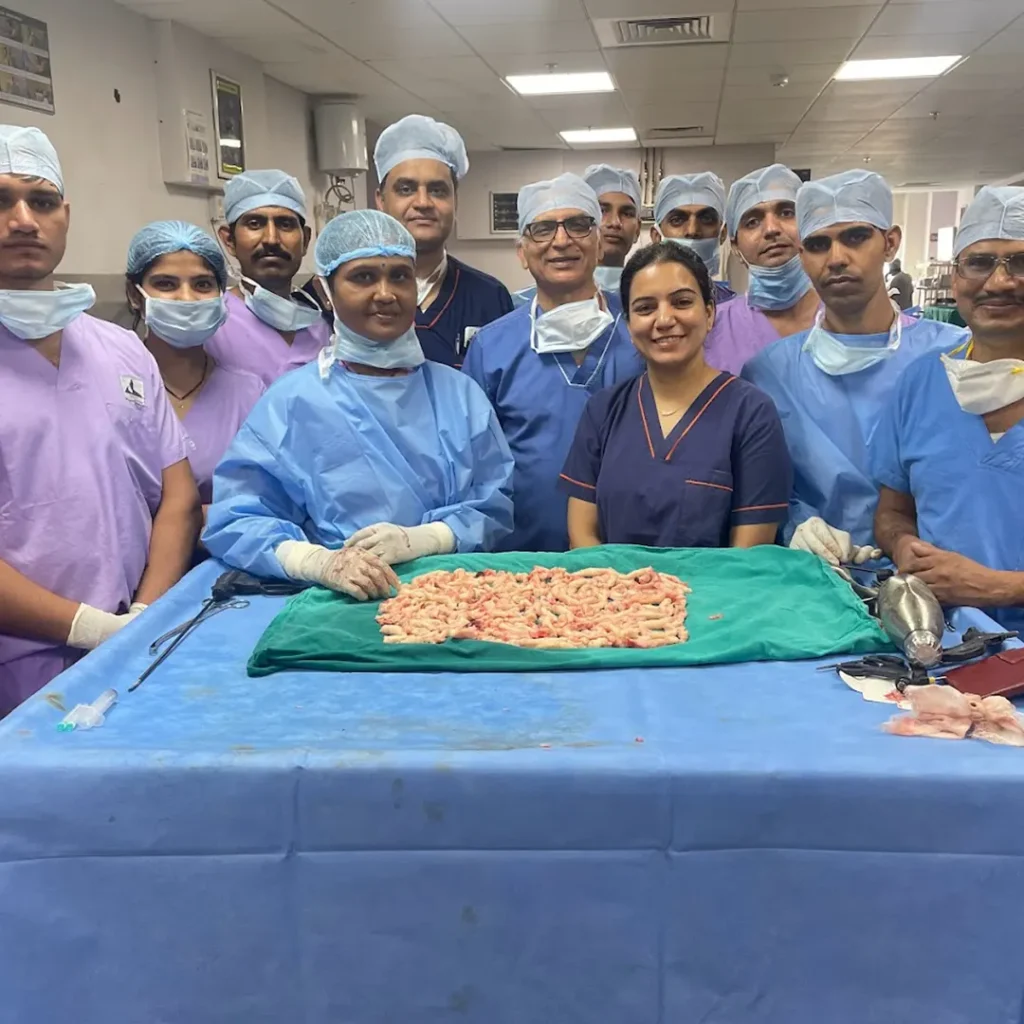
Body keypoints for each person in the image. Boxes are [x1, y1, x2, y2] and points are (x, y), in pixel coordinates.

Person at [204, 210, 514, 598]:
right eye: (363, 277)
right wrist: (319, 562)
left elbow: (495, 506)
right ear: (326, 291)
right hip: (335, 601)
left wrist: (428, 538)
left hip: (453, 597)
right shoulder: (292, 402)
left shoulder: (460, 396)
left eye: (400, 276)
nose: (385, 293)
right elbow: (238, 519)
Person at [0, 127, 200, 713]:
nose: (22, 220)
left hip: (141, 642)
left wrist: (141, 619)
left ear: (65, 214)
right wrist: (89, 628)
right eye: (0, 201)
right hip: (20, 663)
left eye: (40, 201)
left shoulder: (120, 348)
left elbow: (177, 496)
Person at [742, 169, 967, 565]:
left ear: (890, 242)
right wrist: (796, 525)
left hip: (941, 576)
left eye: (856, 237)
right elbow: (763, 484)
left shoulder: (953, 355)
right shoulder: (769, 372)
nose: (837, 258)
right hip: (820, 577)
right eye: (817, 244)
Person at [560, 242, 791, 548]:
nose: (665, 319)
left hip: (716, 593)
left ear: (709, 314)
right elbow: (583, 535)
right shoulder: (603, 410)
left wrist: (678, 597)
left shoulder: (751, 413)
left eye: (681, 302)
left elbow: (748, 555)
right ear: (629, 326)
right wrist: (622, 594)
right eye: (645, 308)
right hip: (612, 591)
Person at [463, 172, 643, 552]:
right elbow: (474, 464)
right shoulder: (493, 346)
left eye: (578, 225)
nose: (561, 241)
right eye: (542, 229)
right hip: (520, 558)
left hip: (631, 556)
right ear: (522, 252)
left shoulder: (642, 330)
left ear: (599, 242)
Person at [872, 186, 1024, 629]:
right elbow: (893, 511)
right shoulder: (921, 383)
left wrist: (1001, 587)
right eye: (979, 263)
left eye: (1020, 263)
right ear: (955, 278)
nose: (998, 282)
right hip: (944, 642)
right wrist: (901, 545)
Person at [125, 220, 264, 509]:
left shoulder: (248, 393)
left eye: (202, 284)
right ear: (135, 295)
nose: (186, 299)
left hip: (231, 549)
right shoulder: (112, 383)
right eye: (166, 284)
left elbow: (266, 499)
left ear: (221, 296)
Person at [374, 114, 513, 367]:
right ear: (381, 201)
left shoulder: (489, 297)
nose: (423, 202)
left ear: (455, 201)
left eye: (437, 190)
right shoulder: (350, 294)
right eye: (406, 189)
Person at [207, 169, 329, 386]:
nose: (271, 239)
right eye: (254, 224)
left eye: (285, 224)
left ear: (306, 239)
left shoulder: (319, 329)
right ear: (229, 240)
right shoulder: (211, 324)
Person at [705, 164, 819, 374]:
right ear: (736, 246)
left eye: (786, 213)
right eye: (752, 221)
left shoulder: (848, 318)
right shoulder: (712, 329)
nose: (771, 229)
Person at [650, 172, 735, 305]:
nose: (692, 230)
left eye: (706, 219)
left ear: (723, 233)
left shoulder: (738, 313)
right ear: (656, 236)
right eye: (677, 220)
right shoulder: (638, 308)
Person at [583, 163, 643, 293]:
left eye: (627, 213)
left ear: (638, 229)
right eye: (602, 210)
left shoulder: (650, 294)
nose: (615, 223)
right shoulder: (546, 299)